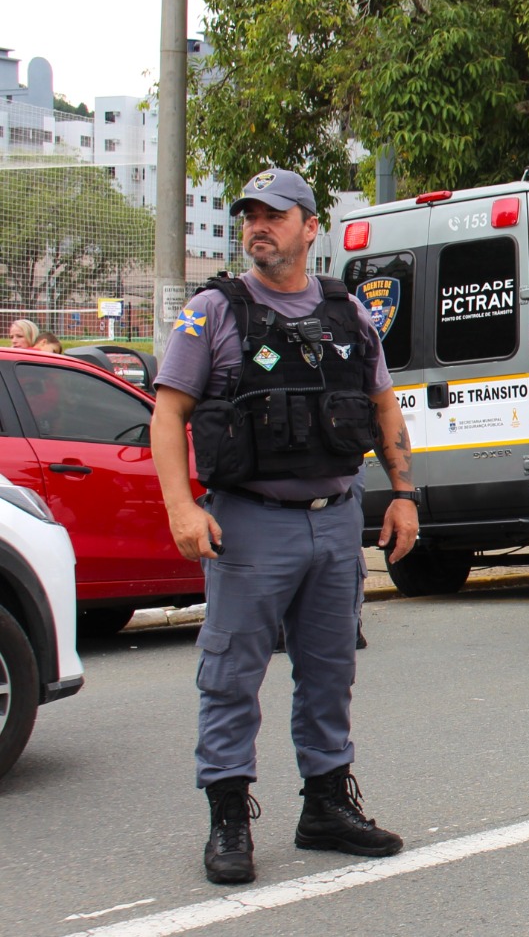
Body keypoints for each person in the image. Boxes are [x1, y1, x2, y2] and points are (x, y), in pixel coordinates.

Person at [151, 168, 418, 885]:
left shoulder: (348, 313)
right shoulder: (213, 311)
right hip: (249, 521)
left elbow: (384, 407)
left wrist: (403, 493)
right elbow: (168, 413)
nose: (257, 226)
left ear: (308, 226)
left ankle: (326, 806)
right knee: (231, 675)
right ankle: (229, 817)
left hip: (334, 523)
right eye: (249, 216)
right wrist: (181, 506)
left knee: (330, 672)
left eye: (273, 214)